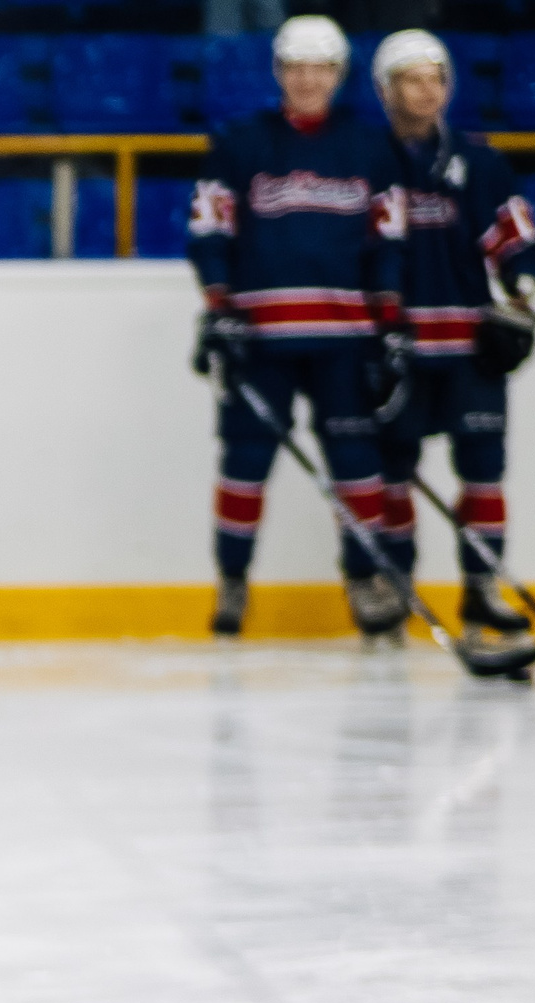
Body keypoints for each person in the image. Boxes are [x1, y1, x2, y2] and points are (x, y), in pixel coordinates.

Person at [188, 16, 409, 641]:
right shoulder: (240, 143)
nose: (307, 80)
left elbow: (388, 239)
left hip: (346, 338)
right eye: (296, 68)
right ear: (279, 72)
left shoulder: (369, 149)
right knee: (245, 460)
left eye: (320, 69)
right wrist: (218, 304)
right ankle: (232, 581)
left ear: (338, 76)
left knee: (357, 464)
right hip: (261, 336)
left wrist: (389, 320)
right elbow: (210, 228)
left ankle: (363, 582)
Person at [369, 29, 535, 639]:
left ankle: (481, 588)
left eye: (437, 79)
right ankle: (395, 587)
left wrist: (521, 290)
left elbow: (516, 240)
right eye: (413, 80)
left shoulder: (480, 162)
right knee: (391, 475)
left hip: (469, 349)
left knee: (483, 472)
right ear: (386, 89)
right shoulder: (364, 161)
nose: (428, 92)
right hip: (396, 349)